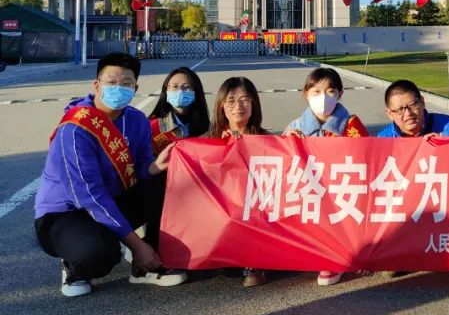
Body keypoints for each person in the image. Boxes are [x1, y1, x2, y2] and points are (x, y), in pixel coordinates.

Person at [33, 52, 186, 297]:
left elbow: (140, 167)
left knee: (166, 180)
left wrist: (156, 166)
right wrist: (136, 245)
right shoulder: (75, 129)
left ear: (135, 88)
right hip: (65, 213)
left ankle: (147, 266)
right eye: (111, 82)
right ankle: (74, 266)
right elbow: (89, 196)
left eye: (126, 83)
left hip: (112, 201)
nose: (119, 88)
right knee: (101, 254)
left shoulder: (136, 120)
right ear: (96, 85)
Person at [283, 67, 370, 286]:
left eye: (330, 91)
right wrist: (286, 143)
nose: (323, 97)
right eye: (316, 91)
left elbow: (366, 162)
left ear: (340, 94)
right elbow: (282, 168)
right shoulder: (295, 127)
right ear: (306, 94)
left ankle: (339, 256)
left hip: (341, 192)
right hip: (310, 192)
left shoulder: (351, 125)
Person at [209, 76, 272, 287]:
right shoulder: (210, 140)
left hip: (255, 210)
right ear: (221, 106)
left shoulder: (268, 140)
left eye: (245, 100)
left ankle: (256, 263)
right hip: (221, 211)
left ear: (254, 104)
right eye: (231, 100)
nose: (238, 106)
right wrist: (224, 149)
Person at [148, 66, 211, 152]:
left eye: (186, 87)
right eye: (175, 86)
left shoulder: (207, 128)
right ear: (166, 91)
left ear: (196, 91)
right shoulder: (152, 126)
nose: (180, 91)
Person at [377, 79, 449, 138]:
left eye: (412, 105)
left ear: (422, 102)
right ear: (389, 113)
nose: (408, 114)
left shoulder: (446, 127)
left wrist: (444, 146)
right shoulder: (384, 139)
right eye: (400, 109)